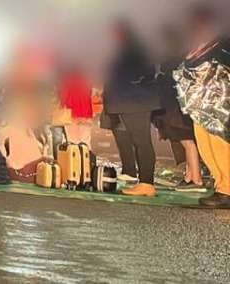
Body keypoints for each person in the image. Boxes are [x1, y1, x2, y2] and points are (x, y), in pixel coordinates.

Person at [175, 5, 230, 208]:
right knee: (205, 146)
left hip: (218, 106)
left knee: (219, 144)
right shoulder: (196, 45)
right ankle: (220, 184)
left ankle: (227, 189)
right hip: (199, 106)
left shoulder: (221, 42)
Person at [103, 19, 160, 197]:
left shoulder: (135, 49)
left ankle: (147, 183)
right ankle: (142, 180)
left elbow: (147, 72)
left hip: (135, 102)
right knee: (137, 141)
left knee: (142, 142)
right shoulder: (122, 49)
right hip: (127, 101)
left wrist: (130, 82)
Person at [154, 25, 205, 192]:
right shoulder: (181, 55)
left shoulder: (174, 58)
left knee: (187, 141)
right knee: (186, 141)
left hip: (176, 108)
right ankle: (190, 176)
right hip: (177, 106)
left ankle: (196, 179)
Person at [58, 66, 94, 146]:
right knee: (85, 141)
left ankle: (77, 153)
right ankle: (84, 152)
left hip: (69, 107)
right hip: (85, 108)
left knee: (72, 142)